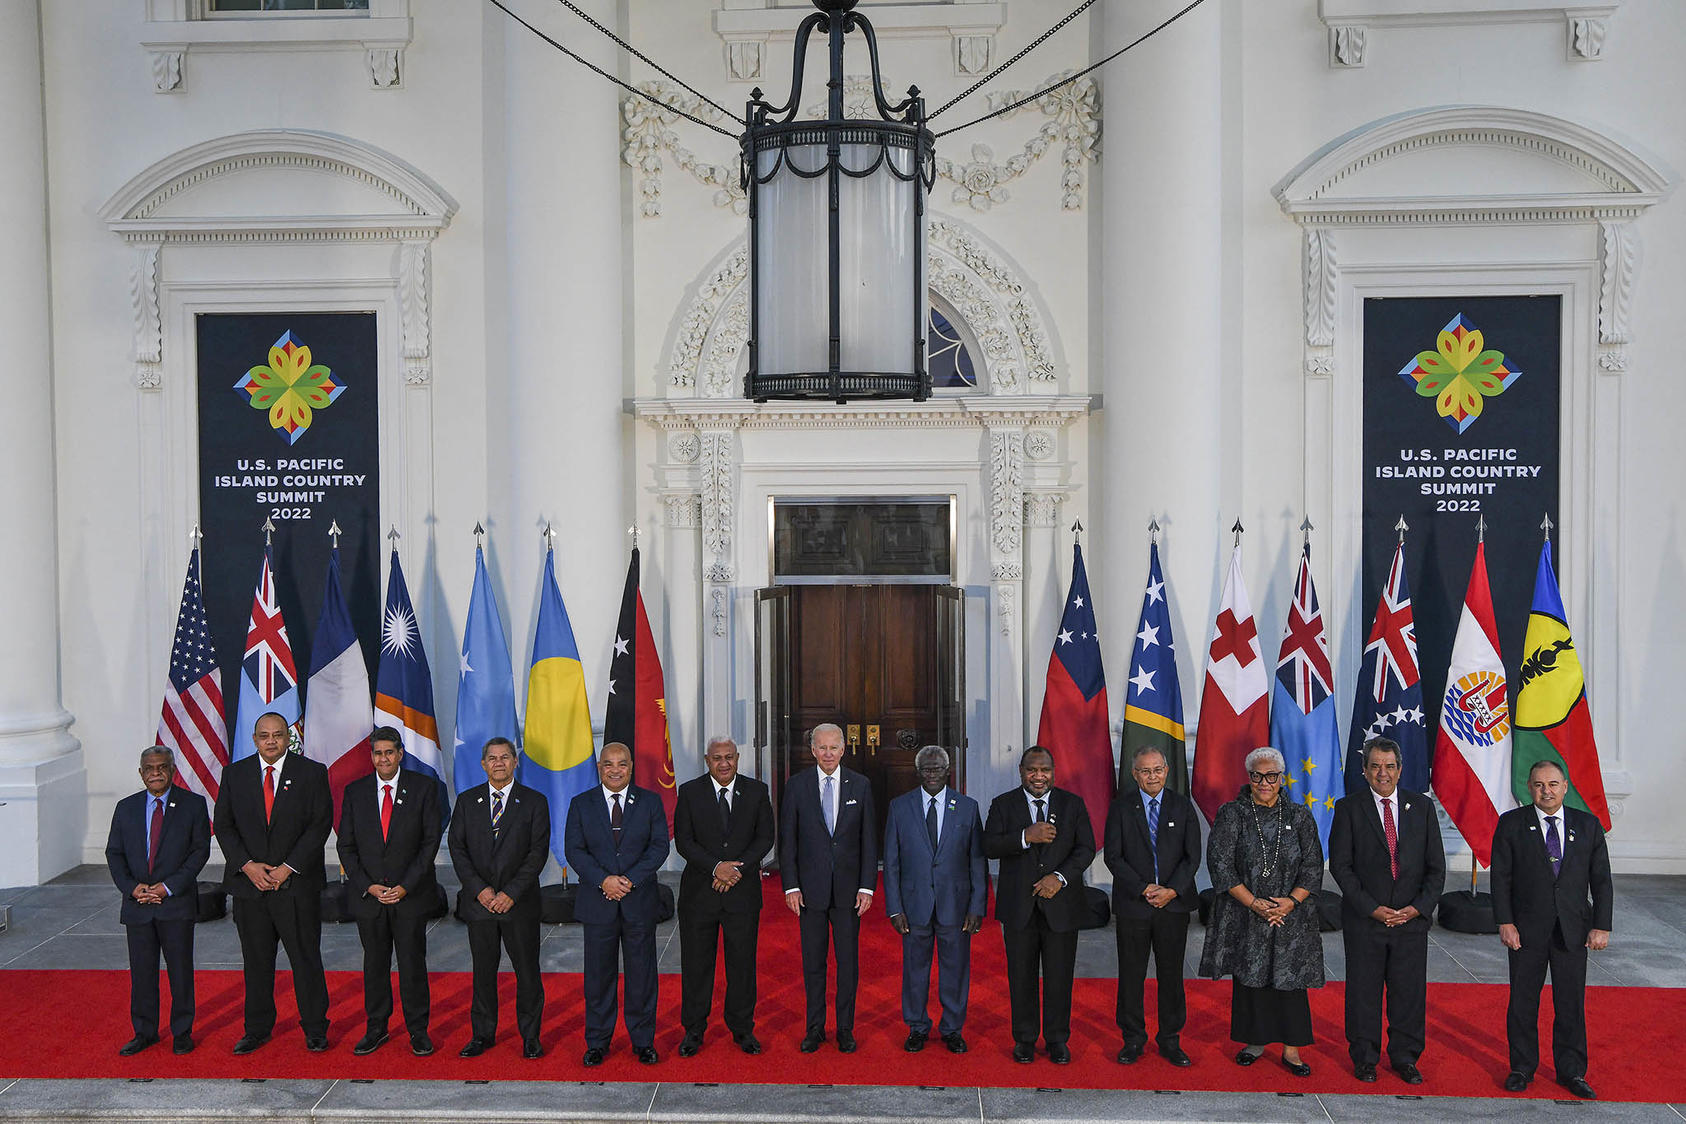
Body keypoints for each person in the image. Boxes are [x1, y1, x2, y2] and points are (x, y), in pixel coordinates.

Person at [1198, 745, 1326, 1077]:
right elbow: (1221, 866)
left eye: (1271, 776)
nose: (1264, 782)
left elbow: (1313, 867)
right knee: (1250, 979)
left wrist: (1290, 902)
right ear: (1249, 777)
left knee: (1289, 981)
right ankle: (1254, 1042)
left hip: (1290, 915)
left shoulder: (1299, 815)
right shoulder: (1232, 813)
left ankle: (1292, 1050)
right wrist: (1254, 903)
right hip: (1245, 911)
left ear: (1282, 778)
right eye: (1257, 776)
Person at [1491, 759, 1612, 1100]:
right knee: (1523, 1002)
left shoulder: (1587, 826)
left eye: (1553, 784)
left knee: (1570, 1004)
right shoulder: (1512, 824)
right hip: (1526, 932)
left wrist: (1601, 925)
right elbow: (1500, 877)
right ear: (1529, 788)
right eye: (1540, 785)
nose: (1547, 791)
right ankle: (1521, 1068)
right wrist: (1505, 921)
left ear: (1565, 786)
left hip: (1572, 931)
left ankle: (1572, 1071)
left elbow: (1601, 881)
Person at [213, 711, 333, 1054]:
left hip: (295, 887)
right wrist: (248, 867)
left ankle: (314, 1028)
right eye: (264, 735)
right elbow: (224, 826)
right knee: (256, 961)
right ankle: (257, 1029)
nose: (271, 741)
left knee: (305, 959)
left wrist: (287, 868)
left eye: (277, 735)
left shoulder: (311, 773)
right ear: (254, 739)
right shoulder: (234, 775)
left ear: (287, 738)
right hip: (251, 887)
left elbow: (319, 824)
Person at [1328, 736, 1445, 1084]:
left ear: (1400, 769)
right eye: (1375, 766)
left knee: (1408, 992)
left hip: (1411, 921)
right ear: (1364, 771)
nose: (1383, 773)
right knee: (1363, 992)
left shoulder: (1421, 808)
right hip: (1367, 920)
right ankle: (1365, 1058)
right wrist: (1372, 908)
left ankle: (1405, 1057)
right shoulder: (1348, 808)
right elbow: (1341, 867)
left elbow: (1436, 869)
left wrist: (1416, 909)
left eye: (1389, 766)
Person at [983, 745, 1096, 1065]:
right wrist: (1024, 836)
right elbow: (988, 845)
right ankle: (1025, 1039)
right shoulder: (1003, 804)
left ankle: (1058, 1039)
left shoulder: (1071, 804)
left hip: (1061, 905)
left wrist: (1059, 878)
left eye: (1044, 770)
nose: (1038, 776)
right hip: (1019, 907)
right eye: (1032, 770)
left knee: (1060, 976)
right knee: (1021, 976)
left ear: (1053, 772)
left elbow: (1086, 848)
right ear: (1021, 771)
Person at [336, 725, 443, 1057]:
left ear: (399, 754)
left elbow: (429, 843)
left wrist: (404, 886)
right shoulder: (355, 792)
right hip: (371, 898)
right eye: (378, 753)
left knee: (412, 965)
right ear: (372, 756)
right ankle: (377, 1028)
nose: (383, 758)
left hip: (408, 897)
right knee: (375, 965)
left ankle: (417, 1031)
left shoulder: (425, 788)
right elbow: (346, 846)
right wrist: (368, 885)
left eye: (389, 752)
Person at [565, 741, 670, 1067]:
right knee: (598, 977)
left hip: (638, 901)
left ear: (631, 766)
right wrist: (604, 881)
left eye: (621, 764)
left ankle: (643, 1041)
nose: (615, 770)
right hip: (599, 902)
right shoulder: (581, 804)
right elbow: (575, 850)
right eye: (608, 764)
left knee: (641, 975)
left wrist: (628, 881)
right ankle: (597, 1041)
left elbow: (659, 848)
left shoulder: (650, 802)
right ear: (599, 767)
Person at [448, 736, 549, 1059]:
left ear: (515, 762)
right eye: (492, 758)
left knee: (527, 973)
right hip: (480, 906)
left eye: (505, 757)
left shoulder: (534, 802)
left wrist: (510, 893)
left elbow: (536, 854)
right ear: (483, 764)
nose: (499, 763)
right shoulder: (466, 801)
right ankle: (483, 1034)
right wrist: (481, 890)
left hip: (518, 905)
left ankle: (530, 1037)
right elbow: (458, 850)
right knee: (483, 972)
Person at [105, 746, 211, 1056]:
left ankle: (182, 1032)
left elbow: (199, 851)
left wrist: (168, 887)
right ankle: (145, 1032)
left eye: (162, 766)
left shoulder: (193, 805)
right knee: (142, 973)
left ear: (173, 770)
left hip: (174, 904)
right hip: (137, 905)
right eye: (149, 767)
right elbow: (114, 853)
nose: (156, 772)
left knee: (180, 971)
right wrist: (131, 887)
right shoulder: (126, 808)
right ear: (141, 773)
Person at [673, 735, 774, 1057]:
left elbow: (765, 838)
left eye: (729, 757)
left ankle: (742, 1029)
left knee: (741, 966)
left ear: (737, 758)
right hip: (699, 896)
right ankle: (693, 1030)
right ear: (707, 760)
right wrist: (716, 868)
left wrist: (736, 870)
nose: (724, 763)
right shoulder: (690, 793)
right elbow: (684, 841)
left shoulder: (756, 791)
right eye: (718, 758)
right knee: (696, 966)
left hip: (741, 895)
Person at [780, 722, 877, 1054]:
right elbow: (788, 840)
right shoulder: (796, 786)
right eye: (821, 748)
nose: (828, 754)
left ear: (844, 749)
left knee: (848, 963)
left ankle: (845, 1028)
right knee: (813, 963)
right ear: (812, 750)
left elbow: (868, 841)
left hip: (850, 894)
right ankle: (815, 1027)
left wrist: (867, 887)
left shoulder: (861, 786)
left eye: (833, 747)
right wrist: (790, 886)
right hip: (810, 891)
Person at [883, 745, 986, 1055]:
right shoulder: (899, 807)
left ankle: (952, 1029)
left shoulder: (967, 807)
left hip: (956, 905)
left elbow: (976, 861)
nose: (931, 774)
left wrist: (977, 906)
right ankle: (917, 1027)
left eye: (937, 768)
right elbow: (891, 862)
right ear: (918, 773)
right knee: (915, 969)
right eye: (926, 769)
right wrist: (894, 907)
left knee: (955, 970)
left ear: (947, 770)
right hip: (914, 905)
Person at [1103, 746, 1200, 1067]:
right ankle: (1132, 1040)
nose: (1152, 776)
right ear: (1134, 774)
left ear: (1167, 771)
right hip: (1135, 905)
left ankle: (1171, 1040)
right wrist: (1144, 888)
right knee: (1131, 975)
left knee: (1171, 976)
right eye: (1145, 771)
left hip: (1173, 906)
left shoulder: (1182, 806)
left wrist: (1172, 890)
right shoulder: (1120, 808)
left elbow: (1192, 857)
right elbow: (1113, 857)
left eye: (1157, 770)